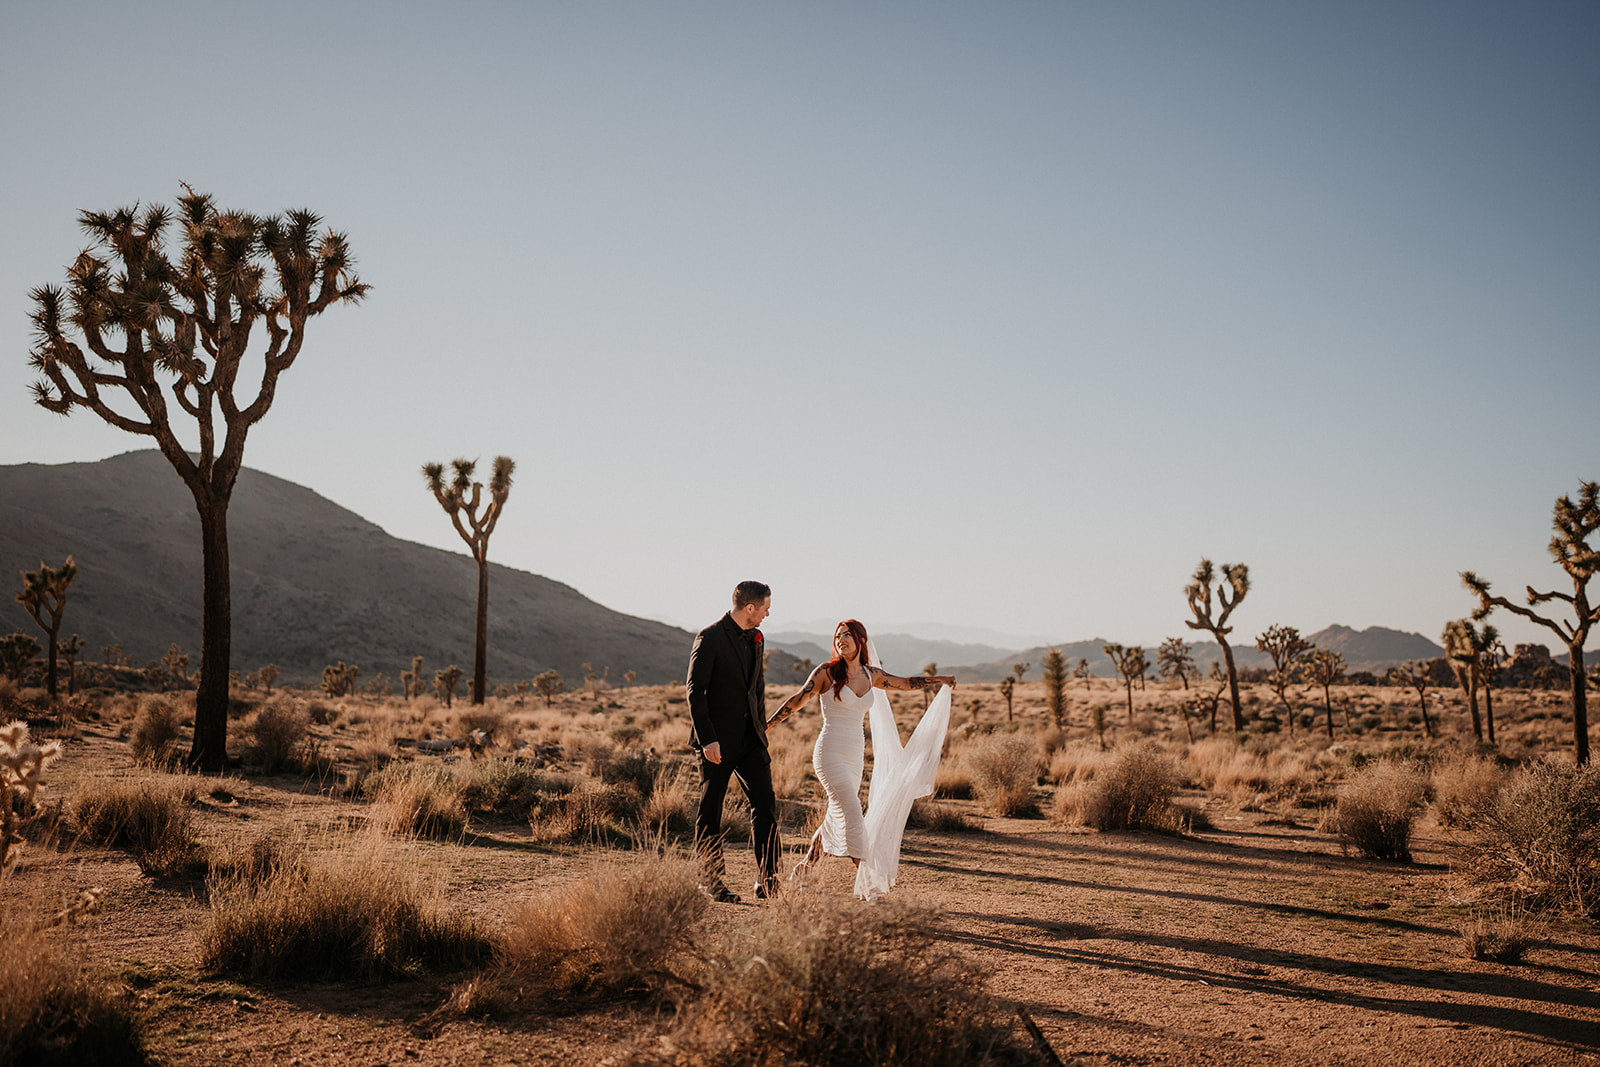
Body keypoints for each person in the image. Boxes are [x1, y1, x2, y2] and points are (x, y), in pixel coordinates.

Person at [767, 618, 954, 899]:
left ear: (860, 641)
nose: (841, 640)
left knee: (836, 814)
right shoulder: (826, 673)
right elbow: (797, 699)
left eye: (847, 636)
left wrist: (937, 680)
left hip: (855, 755)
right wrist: (765, 727)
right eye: (837, 636)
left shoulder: (871, 675)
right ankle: (871, 886)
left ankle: (805, 866)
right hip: (829, 752)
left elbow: (904, 683)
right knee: (853, 813)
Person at [686, 580, 781, 904]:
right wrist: (707, 739)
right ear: (750, 608)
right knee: (711, 810)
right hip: (717, 742)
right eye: (765, 608)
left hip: (751, 739)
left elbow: (757, 689)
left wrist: (761, 730)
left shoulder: (757, 638)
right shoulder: (709, 638)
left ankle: (769, 880)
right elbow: (695, 693)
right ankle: (710, 883)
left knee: (766, 805)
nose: (768, 614)